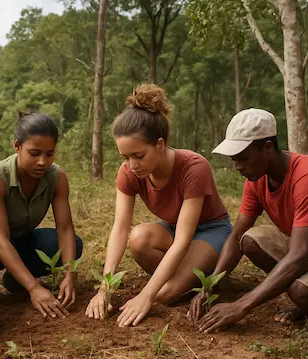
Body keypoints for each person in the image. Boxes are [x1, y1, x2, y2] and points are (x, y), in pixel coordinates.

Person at [189, 108, 308, 336]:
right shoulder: (257, 179)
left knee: (300, 291)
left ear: (267, 147)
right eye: (234, 159)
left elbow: (298, 258)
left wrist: (241, 306)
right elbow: (235, 238)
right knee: (250, 240)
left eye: (243, 158)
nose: (237, 166)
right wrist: (210, 286)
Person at [85, 84, 232, 327]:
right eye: (125, 157)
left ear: (160, 145)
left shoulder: (194, 167)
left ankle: (210, 272)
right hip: (173, 229)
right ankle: (193, 277)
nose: (132, 165)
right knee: (138, 237)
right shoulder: (129, 173)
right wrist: (105, 288)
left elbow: (183, 240)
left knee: (164, 294)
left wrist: (146, 295)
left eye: (138, 156)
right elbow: (120, 229)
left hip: (210, 231)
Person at [0, 110, 82, 320]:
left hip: (17, 239)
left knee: (72, 245)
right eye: (34, 153)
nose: (42, 161)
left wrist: (70, 274)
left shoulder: (56, 176)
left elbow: (65, 228)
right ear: (17, 146)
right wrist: (34, 288)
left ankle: (14, 280)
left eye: (49, 154)